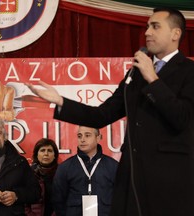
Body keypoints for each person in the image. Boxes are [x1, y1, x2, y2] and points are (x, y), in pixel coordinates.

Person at [26, 7, 194, 216]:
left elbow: (182, 119)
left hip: (168, 178)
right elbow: (102, 115)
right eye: (147, 26)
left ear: (175, 34)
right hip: (132, 176)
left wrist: (153, 79)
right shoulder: (137, 74)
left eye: (155, 26)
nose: (147, 32)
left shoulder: (188, 71)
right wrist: (60, 101)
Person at [51, 126, 117, 216]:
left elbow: (121, 198)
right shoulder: (65, 167)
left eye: (87, 135)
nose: (82, 139)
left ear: (98, 138)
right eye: (79, 136)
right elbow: (58, 200)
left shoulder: (113, 166)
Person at [25, 138, 59, 216]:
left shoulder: (61, 173)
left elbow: (65, 199)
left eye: (49, 151)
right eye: (42, 150)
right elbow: (23, 201)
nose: (46, 154)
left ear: (54, 155)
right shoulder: (28, 173)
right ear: (37, 155)